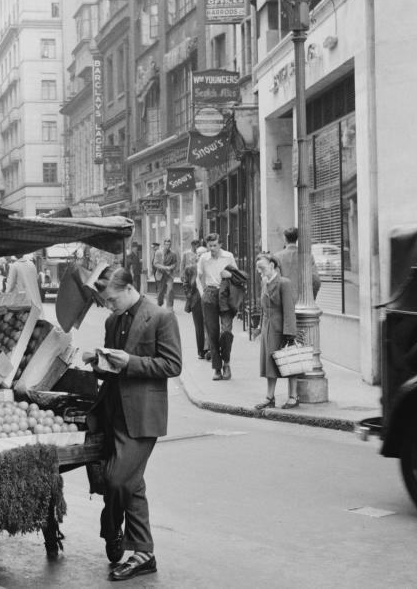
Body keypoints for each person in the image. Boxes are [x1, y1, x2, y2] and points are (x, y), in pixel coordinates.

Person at [82, 266, 181, 582]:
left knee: (116, 481)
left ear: (127, 289)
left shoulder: (161, 316)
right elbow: (111, 369)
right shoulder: (113, 321)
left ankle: (111, 528)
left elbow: (172, 364)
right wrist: (96, 361)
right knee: (132, 483)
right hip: (113, 412)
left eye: (111, 299)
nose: (109, 307)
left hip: (143, 415)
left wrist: (131, 362)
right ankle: (143, 554)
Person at [254, 254, 299, 410]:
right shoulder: (264, 282)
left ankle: (293, 397)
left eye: (262, 268)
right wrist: (260, 328)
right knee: (269, 364)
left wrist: (290, 334)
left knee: (289, 361)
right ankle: (270, 397)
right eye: (258, 268)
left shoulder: (283, 283)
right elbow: (263, 308)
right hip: (268, 329)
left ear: (272, 265)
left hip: (281, 329)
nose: (259, 271)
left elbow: (289, 310)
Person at [195, 233, 238, 381]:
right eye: (210, 246)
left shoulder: (228, 256)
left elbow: (236, 277)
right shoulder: (203, 258)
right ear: (207, 246)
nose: (212, 248)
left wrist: (230, 276)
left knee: (226, 331)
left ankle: (227, 363)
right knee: (212, 333)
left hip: (225, 294)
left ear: (220, 244)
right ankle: (217, 368)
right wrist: (203, 294)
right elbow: (198, 277)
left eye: (215, 245)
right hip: (210, 294)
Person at [274, 227, 321, 301]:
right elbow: (316, 280)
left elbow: (276, 282)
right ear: (297, 239)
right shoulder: (308, 256)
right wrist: (311, 298)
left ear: (285, 239)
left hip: (285, 302)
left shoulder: (277, 257)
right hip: (304, 301)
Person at [182, 245, 207, 359]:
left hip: (209, 299)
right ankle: (201, 351)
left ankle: (210, 349)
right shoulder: (190, 269)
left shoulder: (210, 267)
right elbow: (185, 283)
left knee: (211, 325)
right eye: (199, 254)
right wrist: (189, 296)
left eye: (203, 254)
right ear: (196, 256)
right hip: (196, 300)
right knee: (199, 327)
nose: (201, 256)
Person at [151, 238, 178, 310]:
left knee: (170, 290)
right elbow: (155, 264)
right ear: (164, 244)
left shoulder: (173, 254)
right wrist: (165, 268)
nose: (168, 246)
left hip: (169, 275)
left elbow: (175, 263)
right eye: (166, 244)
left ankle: (169, 308)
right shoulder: (158, 252)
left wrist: (171, 268)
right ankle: (159, 305)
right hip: (160, 274)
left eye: (169, 244)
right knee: (160, 292)